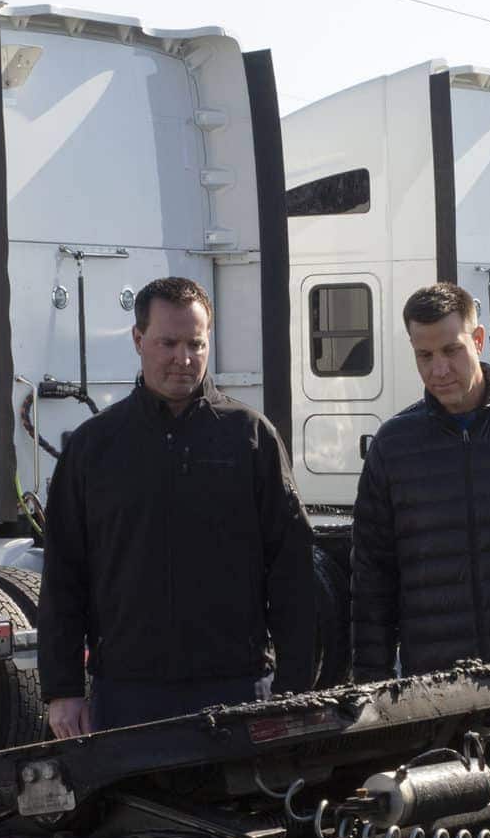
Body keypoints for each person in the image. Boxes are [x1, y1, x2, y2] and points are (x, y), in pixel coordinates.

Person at [35, 276, 315, 735]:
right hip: (128, 694)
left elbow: (292, 570)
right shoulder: (95, 447)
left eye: (195, 344)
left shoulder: (249, 437)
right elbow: (64, 574)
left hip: (238, 689)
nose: (183, 359)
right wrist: (62, 689)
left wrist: (295, 686)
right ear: (138, 339)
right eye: (168, 343)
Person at [348, 283, 490, 680]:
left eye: (451, 350)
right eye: (424, 355)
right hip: (437, 687)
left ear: (477, 340)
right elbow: (372, 580)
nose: (438, 369)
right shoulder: (393, 446)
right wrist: (370, 686)